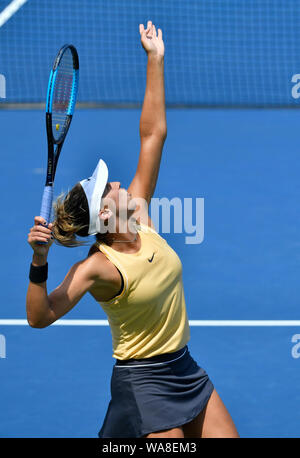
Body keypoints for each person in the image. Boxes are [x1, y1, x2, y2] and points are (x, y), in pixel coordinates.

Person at [27, 21, 239, 439]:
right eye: (110, 190)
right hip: (143, 385)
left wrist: (155, 60)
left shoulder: (139, 214)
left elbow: (152, 135)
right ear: (104, 217)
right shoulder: (100, 268)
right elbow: (40, 316)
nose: (121, 185)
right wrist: (39, 261)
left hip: (185, 368)